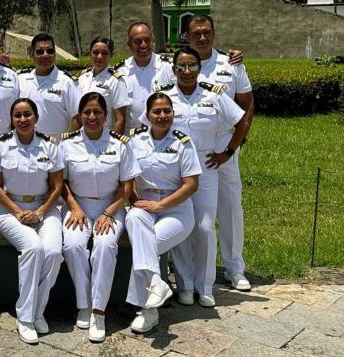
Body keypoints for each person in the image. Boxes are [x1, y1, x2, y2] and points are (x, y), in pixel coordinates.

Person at [158, 47, 249, 307]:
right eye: (181, 67)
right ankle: (185, 285)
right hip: (175, 171)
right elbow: (151, 127)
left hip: (207, 166)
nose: (187, 72)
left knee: (205, 227)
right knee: (181, 228)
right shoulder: (164, 97)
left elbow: (242, 121)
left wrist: (228, 152)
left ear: (200, 68)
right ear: (174, 70)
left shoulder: (214, 94)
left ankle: (205, 285)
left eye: (192, 66)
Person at [59, 93, 140, 343]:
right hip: (77, 205)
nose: (92, 117)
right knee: (72, 246)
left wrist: (109, 211)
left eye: (97, 112)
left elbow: (127, 186)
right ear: (80, 115)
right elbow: (60, 182)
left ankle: (98, 311)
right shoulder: (66, 144)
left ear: (106, 115)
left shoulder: (119, 144)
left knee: (105, 246)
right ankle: (84, 304)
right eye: (86, 113)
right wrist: (74, 206)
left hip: (110, 205)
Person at [185, 15, 254, 292]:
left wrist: (234, 146)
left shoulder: (231, 64)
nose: (202, 38)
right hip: (191, 148)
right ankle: (189, 272)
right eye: (196, 34)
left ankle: (235, 267)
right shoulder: (179, 64)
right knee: (191, 210)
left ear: (213, 34)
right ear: (187, 37)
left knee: (230, 207)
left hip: (224, 147)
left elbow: (246, 105)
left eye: (207, 33)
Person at [0, 98, 64, 345]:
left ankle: (37, 310)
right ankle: (25, 317)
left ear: (36, 117)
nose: (22, 119)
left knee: (52, 252)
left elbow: (57, 187)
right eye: (18, 115)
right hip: (10, 209)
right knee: (33, 247)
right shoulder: (1, 146)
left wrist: (40, 212)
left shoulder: (49, 146)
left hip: (45, 208)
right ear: (12, 119)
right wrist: (18, 211)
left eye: (27, 114)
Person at [125, 92, 200, 333]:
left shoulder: (183, 142)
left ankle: (148, 311)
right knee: (134, 218)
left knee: (146, 244)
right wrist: (134, 199)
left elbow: (191, 185)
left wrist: (160, 205)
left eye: (167, 110)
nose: (162, 116)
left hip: (177, 210)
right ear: (147, 115)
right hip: (145, 204)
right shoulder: (135, 141)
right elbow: (126, 176)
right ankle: (157, 284)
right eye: (156, 111)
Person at [113, 23, 175, 133]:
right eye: (138, 41)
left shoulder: (168, 67)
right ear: (129, 44)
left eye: (147, 40)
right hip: (131, 138)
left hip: (162, 137)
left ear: (153, 41)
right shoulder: (120, 71)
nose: (143, 45)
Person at [18, 32, 81, 140]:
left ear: (55, 54)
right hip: (26, 147)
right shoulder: (20, 80)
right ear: (31, 55)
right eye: (40, 52)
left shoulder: (67, 82)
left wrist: (67, 143)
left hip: (56, 147)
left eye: (50, 51)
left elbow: (78, 117)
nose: (45, 55)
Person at [76, 37, 130, 133]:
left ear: (111, 55)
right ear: (90, 53)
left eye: (105, 53)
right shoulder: (82, 77)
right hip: (83, 137)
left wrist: (116, 145)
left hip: (105, 137)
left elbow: (120, 119)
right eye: (95, 52)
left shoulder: (116, 81)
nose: (99, 57)